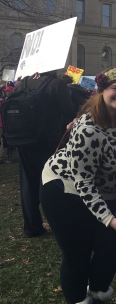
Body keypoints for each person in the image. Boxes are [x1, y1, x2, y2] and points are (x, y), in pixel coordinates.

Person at [40, 68, 116, 304]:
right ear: (102, 92)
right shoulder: (88, 129)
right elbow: (83, 182)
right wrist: (108, 219)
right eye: (115, 88)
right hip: (66, 192)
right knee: (78, 254)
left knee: (109, 252)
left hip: (109, 192)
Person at [13, 70, 75, 237]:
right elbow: (68, 110)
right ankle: (58, 224)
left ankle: (32, 226)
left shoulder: (22, 82)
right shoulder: (57, 84)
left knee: (28, 183)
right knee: (53, 182)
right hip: (49, 140)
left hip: (24, 139)